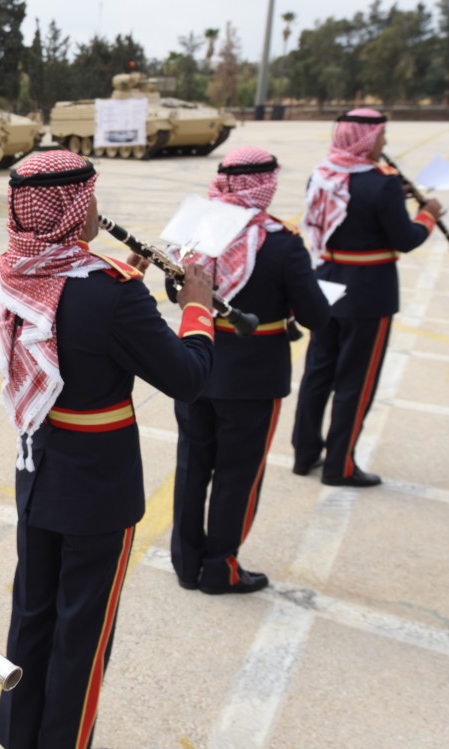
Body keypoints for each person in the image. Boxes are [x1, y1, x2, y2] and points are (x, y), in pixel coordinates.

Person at [0, 149, 215, 749]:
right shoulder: (113, 296)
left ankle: (18, 748)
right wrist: (196, 306)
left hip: (39, 472)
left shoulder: (19, 268)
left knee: (33, 613)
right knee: (82, 627)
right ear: (72, 206)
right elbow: (188, 377)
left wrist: (127, 277)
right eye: (89, 196)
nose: (95, 207)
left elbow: (71, 313)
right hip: (96, 484)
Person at [166, 147, 331, 595]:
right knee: (238, 473)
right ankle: (221, 567)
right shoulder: (280, 242)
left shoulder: (198, 230)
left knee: (191, 465)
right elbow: (316, 315)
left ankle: (186, 563)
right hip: (254, 375)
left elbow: (172, 289)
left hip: (197, 362)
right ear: (265, 184)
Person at [292, 109, 444, 487]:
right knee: (354, 383)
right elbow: (405, 239)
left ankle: (305, 454)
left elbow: (350, 213)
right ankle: (339, 465)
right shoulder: (383, 184)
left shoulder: (323, 174)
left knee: (317, 373)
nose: (385, 143)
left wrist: (398, 200)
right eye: (380, 136)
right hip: (368, 293)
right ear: (365, 138)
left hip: (325, 285)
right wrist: (427, 214)